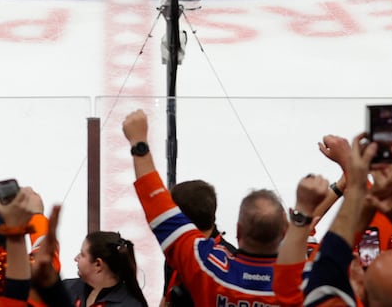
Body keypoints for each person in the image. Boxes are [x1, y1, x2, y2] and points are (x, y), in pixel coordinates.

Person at [122, 109, 290, 306]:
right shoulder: (300, 285)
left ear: (238, 230)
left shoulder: (207, 266)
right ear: (285, 232)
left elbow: (159, 210)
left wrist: (139, 144)